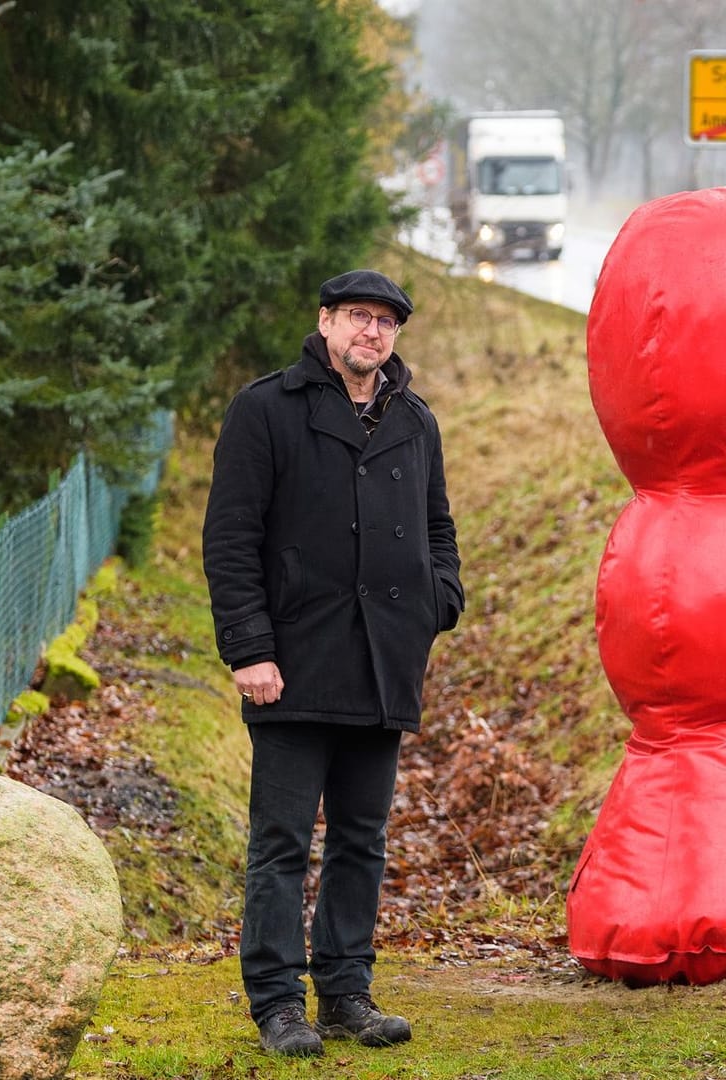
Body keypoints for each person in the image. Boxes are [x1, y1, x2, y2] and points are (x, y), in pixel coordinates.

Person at [203, 268, 464, 1058]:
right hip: (291, 664)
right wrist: (250, 648)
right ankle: (279, 1004)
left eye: (386, 322)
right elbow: (230, 539)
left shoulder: (414, 421)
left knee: (362, 837)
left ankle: (347, 990)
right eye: (358, 316)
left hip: (383, 663)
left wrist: (436, 601)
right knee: (281, 840)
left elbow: (438, 529)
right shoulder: (265, 410)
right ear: (325, 322)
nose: (372, 333)